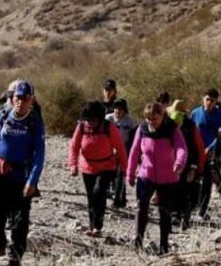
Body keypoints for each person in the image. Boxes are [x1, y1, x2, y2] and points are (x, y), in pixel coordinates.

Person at [0, 80, 45, 266]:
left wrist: (33, 180)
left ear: (31, 100)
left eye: (26, 99)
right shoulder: (1, 115)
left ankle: (16, 254)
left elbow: (39, 154)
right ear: (12, 97)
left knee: (20, 217)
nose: (21, 102)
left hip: (22, 174)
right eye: (18, 98)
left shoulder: (35, 122)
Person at [127, 102, 187, 254]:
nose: (151, 122)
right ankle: (138, 241)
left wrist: (179, 162)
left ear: (162, 116)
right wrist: (130, 172)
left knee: (164, 212)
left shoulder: (172, 129)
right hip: (145, 175)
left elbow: (182, 148)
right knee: (141, 207)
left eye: (154, 118)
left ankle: (163, 245)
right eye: (148, 118)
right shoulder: (142, 128)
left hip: (167, 177)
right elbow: (134, 151)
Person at [69, 101, 127, 237]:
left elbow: (120, 148)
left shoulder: (109, 127)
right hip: (87, 167)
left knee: (99, 192)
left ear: (100, 118)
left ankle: (98, 226)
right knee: (91, 197)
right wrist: (73, 165)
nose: (91, 122)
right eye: (88, 119)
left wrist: (125, 168)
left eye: (94, 119)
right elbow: (74, 146)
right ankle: (93, 226)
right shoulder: (81, 127)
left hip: (107, 166)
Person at [167, 99, 205, 230]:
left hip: (188, 164)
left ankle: (185, 216)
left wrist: (196, 166)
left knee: (186, 190)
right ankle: (175, 215)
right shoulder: (167, 124)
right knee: (172, 189)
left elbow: (198, 148)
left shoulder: (191, 126)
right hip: (171, 163)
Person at [189, 88, 221, 220]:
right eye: (207, 99)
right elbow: (190, 132)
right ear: (203, 99)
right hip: (195, 152)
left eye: (212, 100)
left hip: (211, 154)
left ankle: (202, 210)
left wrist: (211, 148)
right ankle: (191, 206)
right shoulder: (195, 113)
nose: (209, 102)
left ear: (216, 102)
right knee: (192, 180)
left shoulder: (219, 116)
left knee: (207, 181)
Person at [105, 98, 137, 208]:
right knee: (111, 175)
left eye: (120, 109)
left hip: (124, 151)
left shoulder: (130, 121)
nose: (117, 111)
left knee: (121, 175)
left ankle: (118, 201)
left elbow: (134, 138)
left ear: (124, 110)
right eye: (115, 109)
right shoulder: (108, 119)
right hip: (109, 151)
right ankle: (118, 198)